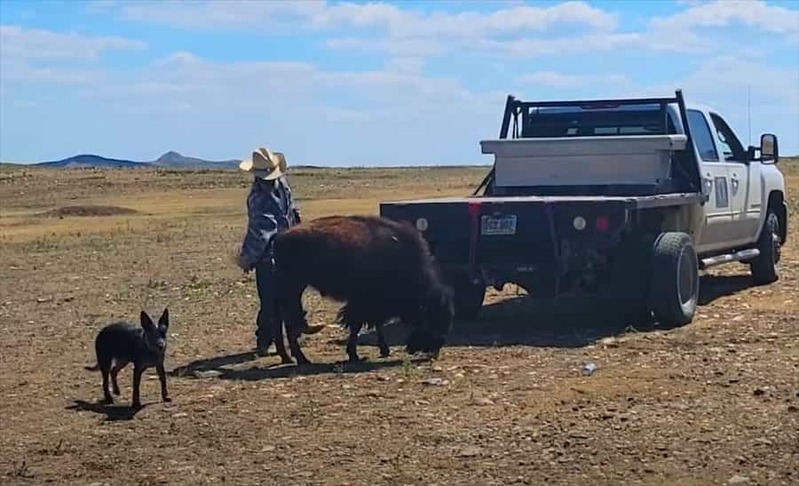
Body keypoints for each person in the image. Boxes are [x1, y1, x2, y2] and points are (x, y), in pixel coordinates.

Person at [236, 146, 323, 354]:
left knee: (271, 299)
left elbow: (261, 232)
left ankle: (270, 339)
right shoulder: (281, 186)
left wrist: (247, 258)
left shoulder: (260, 195)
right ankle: (285, 332)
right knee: (285, 296)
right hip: (288, 250)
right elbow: (290, 215)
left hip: (272, 255)